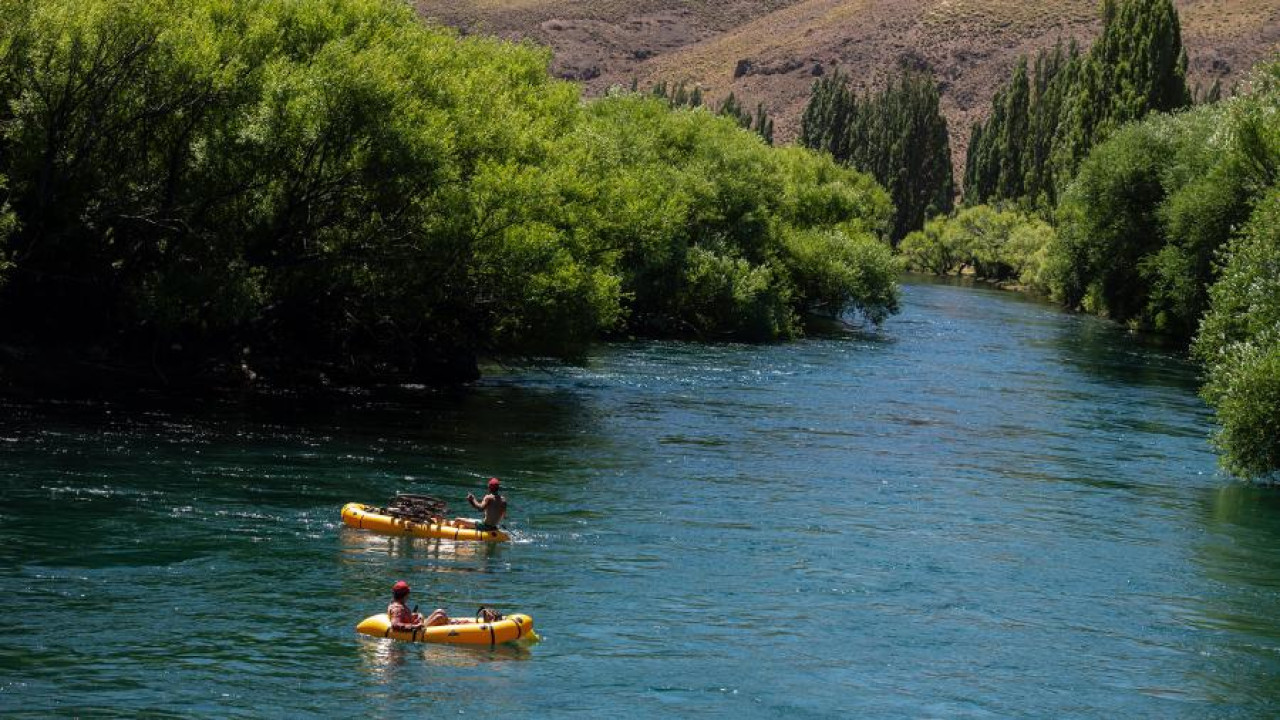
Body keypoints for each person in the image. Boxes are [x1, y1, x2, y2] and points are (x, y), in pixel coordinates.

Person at [387, 580, 453, 629]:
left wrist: (414, 616)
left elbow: (403, 617)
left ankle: (452, 623)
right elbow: (395, 624)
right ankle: (453, 627)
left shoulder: (398, 604)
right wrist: (415, 626)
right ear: (405, 595)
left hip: (417, 626)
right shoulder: (397, 608)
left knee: (439, 611)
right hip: (417, 630)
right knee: (439, 617)